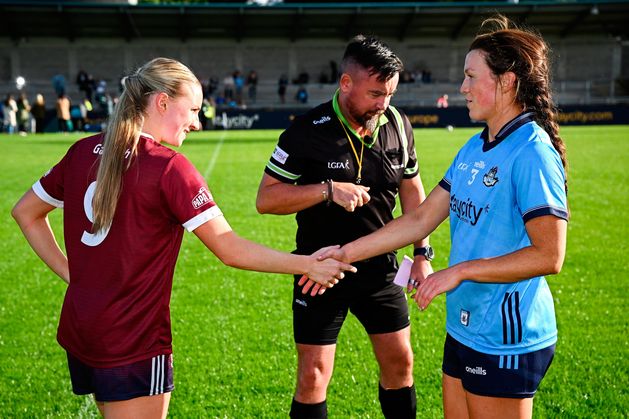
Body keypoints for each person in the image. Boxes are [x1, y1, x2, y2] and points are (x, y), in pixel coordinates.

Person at [11, 57, 354, 419]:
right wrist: (306, 264)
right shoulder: (169, 167)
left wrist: (74, 277)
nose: (197, 121)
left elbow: (25, 213)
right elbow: (229, 248)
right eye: (191, 109)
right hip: (134, 339)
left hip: (83, 329)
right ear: (161, 102)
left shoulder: (82, 150)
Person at [305, 15, 569, 419]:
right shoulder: (473, 148)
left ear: (507, 81)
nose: (462, 87)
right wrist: (345, 254)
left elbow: (549, 255)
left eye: (470, 76)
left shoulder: (532, 152)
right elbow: (419, 219)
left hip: (504, 335)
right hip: (464, 325)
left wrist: (459, 271)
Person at [257, 35, 433, 418]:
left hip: (381, 269)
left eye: (389, 94)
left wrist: (421, 253)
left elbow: (413, 190)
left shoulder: (398, 124)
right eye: (374, 94)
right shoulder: (306, 130)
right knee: (313, 376)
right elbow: (266, 199)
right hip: (318, 270)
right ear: (346, 83)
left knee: (400, 365)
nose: (382, 104)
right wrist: (326, 190)